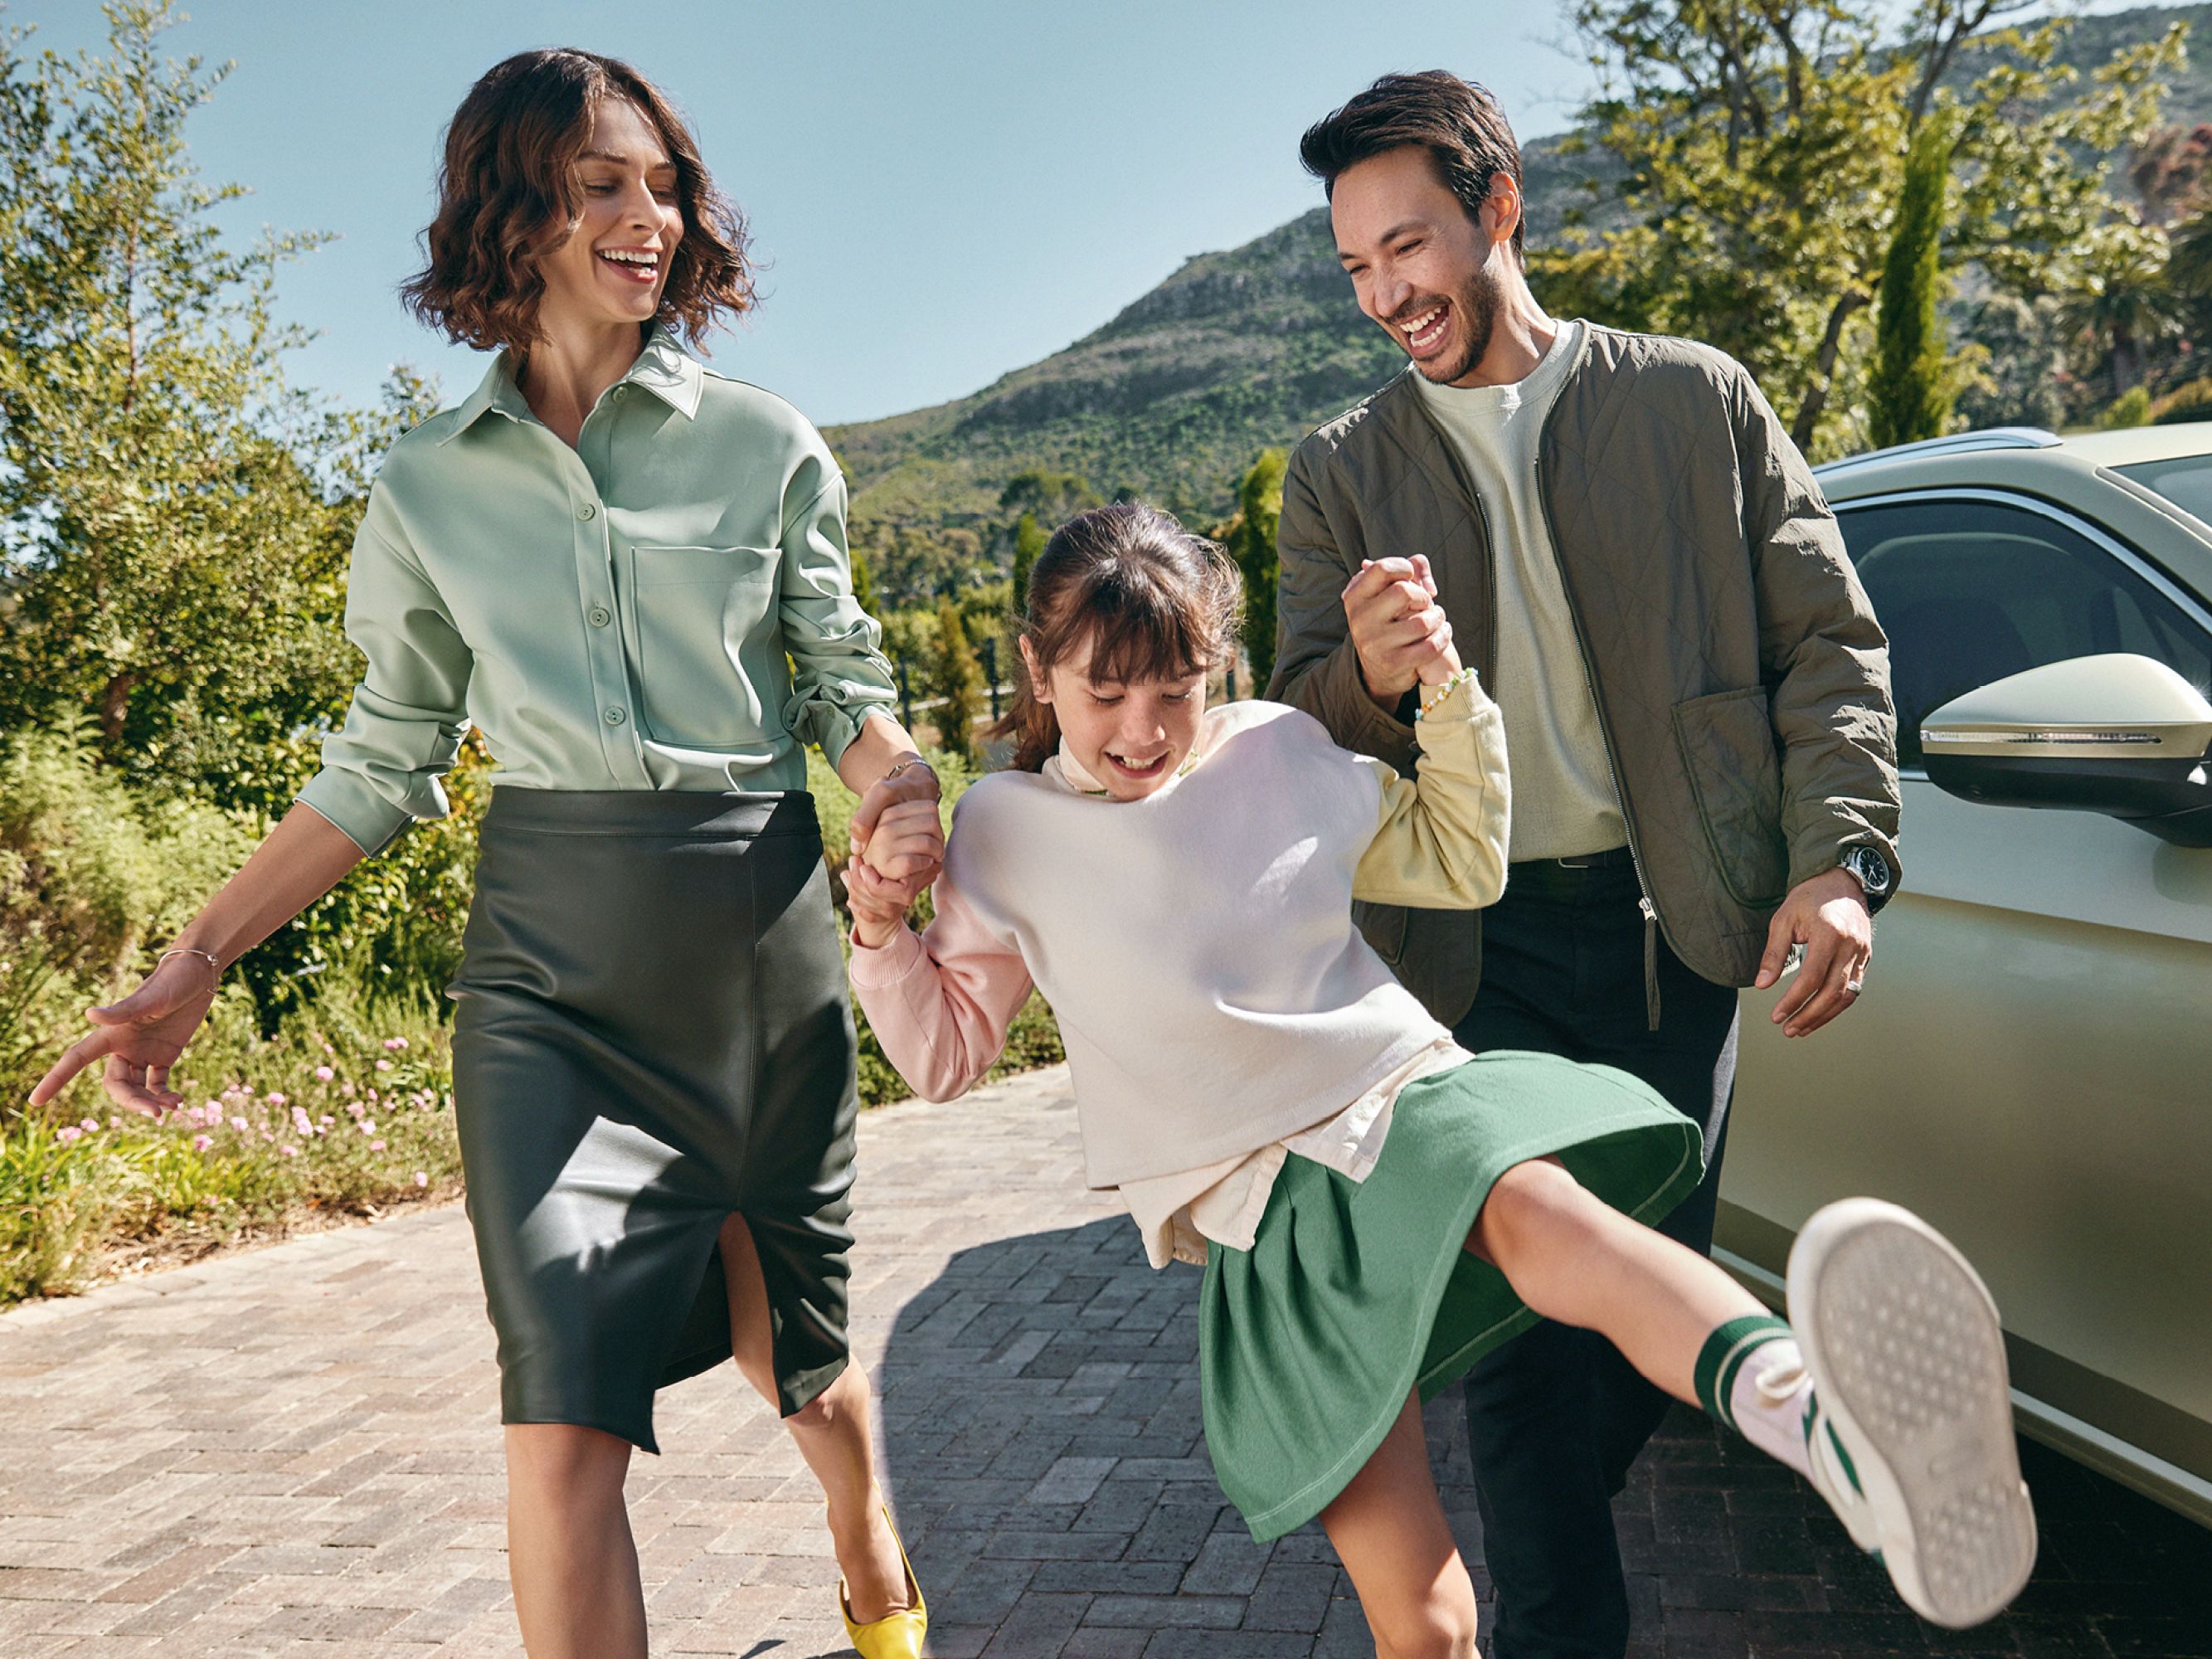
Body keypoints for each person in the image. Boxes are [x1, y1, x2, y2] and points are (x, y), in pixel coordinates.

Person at [31, 49, 935, 1659]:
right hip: (551, 1005)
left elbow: (848, 698)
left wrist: (901, 791)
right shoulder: (426, 488)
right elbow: (381, 765)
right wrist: (195, 957)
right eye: (603, 184)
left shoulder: (769, 450)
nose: (649, 216)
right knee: (564, 1411)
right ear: (513, 214)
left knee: (794, 1363)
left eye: (664, 185)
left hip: (749, 978)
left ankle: (870, 1561)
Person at [842, 504, 2032, 1659]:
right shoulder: (1000, 828)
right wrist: (883, 930)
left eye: (1175, 689)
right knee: (1429, 1624)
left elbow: (1461, 858)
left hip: (1392, 1100)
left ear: (1219, 669)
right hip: (1261, 1226)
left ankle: (1833, 1428)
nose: (1144, 727)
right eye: (1106, 693)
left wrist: (1446, 693)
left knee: (1542, 1211)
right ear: (1038, 670)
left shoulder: (1275, 748)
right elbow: (947, 1058)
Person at [1270, 71, 1905, 1657]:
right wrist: (1362, 677)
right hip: (1462, 967)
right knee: (1527, 1401)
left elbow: (1825, 648)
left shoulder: (1694, 402)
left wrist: (1834, 861)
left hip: (1670, 939)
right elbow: (1290, 730)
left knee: (1629, 1332)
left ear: (1500, 207)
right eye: (1354, 269)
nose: (1385, 297)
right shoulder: (1338, 473)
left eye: (1406, 247)